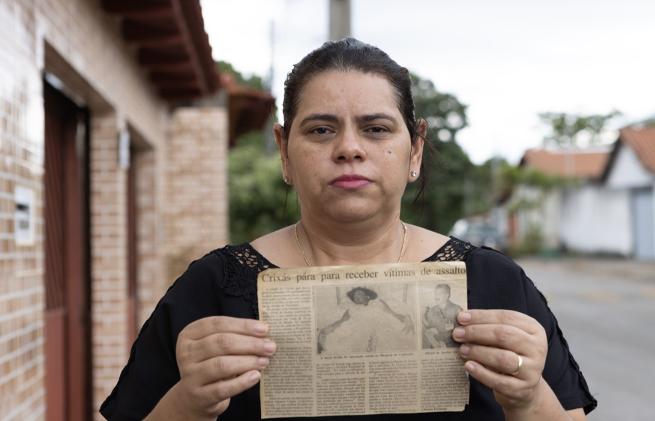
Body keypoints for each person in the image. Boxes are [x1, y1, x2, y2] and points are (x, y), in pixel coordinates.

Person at [100, 38, 597, 421]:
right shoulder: (212, 289)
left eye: (376, 128)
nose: (349, 149)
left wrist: (530, 397)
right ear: (283, 149)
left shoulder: (496, 285)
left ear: (415, 150)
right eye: (320, 129)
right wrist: (188, 403)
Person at [317, 286, 414, 354]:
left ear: (367, 296)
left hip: (381, 327)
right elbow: (340, 322)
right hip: (360, 331)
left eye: (359, 294)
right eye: (354, 297)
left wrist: (406, 318)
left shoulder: (378, 303)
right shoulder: (352, 309)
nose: (356, 297)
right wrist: (325, 330)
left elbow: (394, 315)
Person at [423, 284, 462, 349]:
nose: (436, 297)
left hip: (451, 347)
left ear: (447, 296)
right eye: (435, 294)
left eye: (439, 294)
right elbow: (429, 327)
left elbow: (460, 331)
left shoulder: (457, 310)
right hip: (434, 348)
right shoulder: (431, 310)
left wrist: (439, 331)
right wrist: (423, 317)